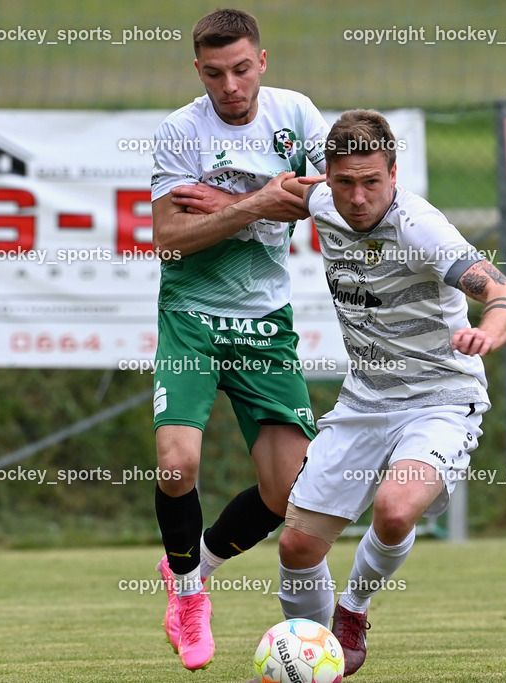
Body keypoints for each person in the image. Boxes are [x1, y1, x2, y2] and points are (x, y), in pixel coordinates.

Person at [274, 109, 506, 676]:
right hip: (364, 401)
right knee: (297, 548)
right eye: (344, 182)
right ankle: (315, 666)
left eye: (371, 181)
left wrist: (489, 331)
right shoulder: (323, 200)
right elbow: (285, 189)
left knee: (393, 510)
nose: (357, 197)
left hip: (441, 399)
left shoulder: (420, 228)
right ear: (329, 176)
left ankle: (353, 611)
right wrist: (222, 205)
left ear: (393, 172)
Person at [148, 8, 329, 671]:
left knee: (289, 495)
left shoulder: (296, 115)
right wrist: (258, 203)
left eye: (242, 69)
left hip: (265, 324)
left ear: (262, 62)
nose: (231, 86)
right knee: (176, 465)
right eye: (216, 74)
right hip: (192, 315)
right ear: (199, 71)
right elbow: (170, 238)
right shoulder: (180, 131)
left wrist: (226, 205)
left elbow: (334, 198)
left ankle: (194, 565)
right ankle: (188, 597)